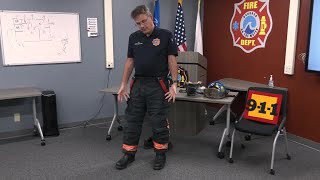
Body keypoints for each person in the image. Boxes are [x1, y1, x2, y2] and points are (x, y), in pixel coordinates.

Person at [115, 5, 178, 170]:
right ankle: (129, 154)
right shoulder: (133, 37)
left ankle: (160, 155)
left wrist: (174, 84)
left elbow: (172, 60)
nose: (142, 25)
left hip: (159, 84)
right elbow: (130, 62)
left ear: (151, 17)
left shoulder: (165, 35)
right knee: (132, 120)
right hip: (138, 84)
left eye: (144, 21)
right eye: (138, 23)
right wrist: (123, 84)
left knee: (158, 121)